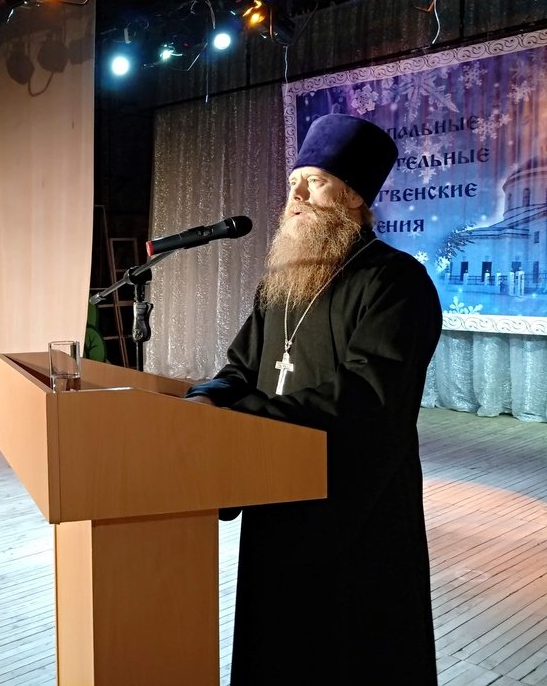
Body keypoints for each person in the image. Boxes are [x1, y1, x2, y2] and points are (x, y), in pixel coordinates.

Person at [185, 114, 441, 684]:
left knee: (350, 654)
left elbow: (366, 399)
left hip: (357, 511)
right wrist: (203, 402)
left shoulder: (396, 282)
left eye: (315, 181)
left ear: (353, 197)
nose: (295, 196)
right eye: (294, 181)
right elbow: (241, 369)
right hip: (276, 497)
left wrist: (238, 417)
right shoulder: (282, 280)